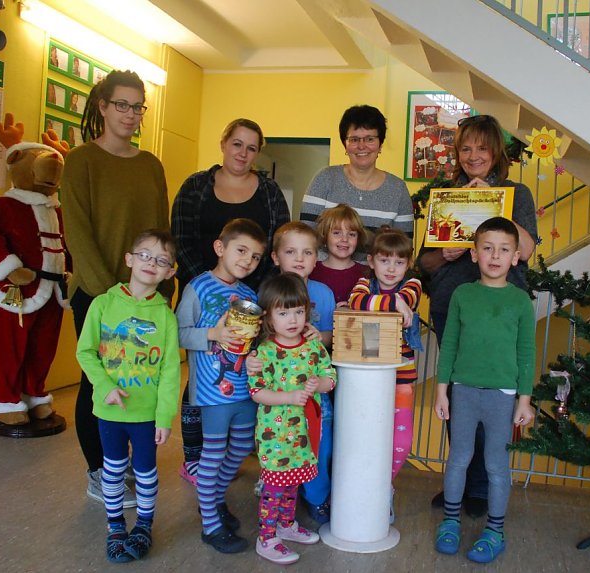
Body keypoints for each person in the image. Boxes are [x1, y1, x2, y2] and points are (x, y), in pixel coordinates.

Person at [417, 114, 537, 518]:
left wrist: (492, 201)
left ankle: (484, 485)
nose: (473, 156)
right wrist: (445, 253)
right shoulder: (445, 193)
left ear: (496, 153)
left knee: (495, 396)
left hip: (502, 310)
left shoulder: (516, 193)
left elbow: (529, 249)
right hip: (453, 303)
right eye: (466, 148)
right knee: (456, 393)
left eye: (482, 148)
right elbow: (425, 262)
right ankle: (462, 480)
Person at [63, 69, 173, 508]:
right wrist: (112, 295)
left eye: (137, 106)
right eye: (122, 105)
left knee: (139, 380)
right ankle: (99, 468)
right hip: (99, 295)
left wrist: (161, 285)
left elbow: (161, 232)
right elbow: (78, 231)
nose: (130, 114)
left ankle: (125, 463)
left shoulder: (150, 165)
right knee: (98, 384)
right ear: (103, 106)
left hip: (147, 297)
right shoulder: (81, 161)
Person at [172, 118, 289, 487]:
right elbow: (182, 236)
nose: (243, 153)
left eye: (252, 147)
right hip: (205, 289)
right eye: (237, 144)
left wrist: (253, 289)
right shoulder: (195, 186)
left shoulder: (268, 191)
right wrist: (208, 285)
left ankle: (233, 452)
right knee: (200, 380)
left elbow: (275, 242)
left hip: (252, 298)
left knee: (241, 370)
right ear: (223, 143)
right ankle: (197, 458)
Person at [433, 217, 535, 564]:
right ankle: (450, 521)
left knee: (495, 465)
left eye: (504, 250)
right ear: (474, 254)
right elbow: (448, 345)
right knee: (458, 459)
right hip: (463, 391)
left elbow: (526, 353)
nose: (495, 256)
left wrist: (525, 399)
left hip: (502, 397)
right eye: (487, 248)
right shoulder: (463, 294)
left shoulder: (521, 301)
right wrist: (441, 391)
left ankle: (495, 530)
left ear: (516, 256)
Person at [75, 229, 181, 563]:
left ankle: (144, 525)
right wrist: (104, 387)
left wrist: (165, 417)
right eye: (145, 255)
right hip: (109, 413)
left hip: (146, 415)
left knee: (146, 472)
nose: (152, 263)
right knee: (113, 469)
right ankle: (116, 526)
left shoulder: (165, 316)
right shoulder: (102, 304)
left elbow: (169, 372)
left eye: (161, 260)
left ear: (170, 271)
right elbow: (86, 352)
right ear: (129, 260)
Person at [176, 218, 268, 554]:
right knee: (213, 454)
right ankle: (211, 526)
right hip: (213, 392)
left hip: (246, 387)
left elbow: (255, 340)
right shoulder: (198, 287)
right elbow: (179, 331)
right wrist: (212, 334)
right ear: (220, 248)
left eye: (256, 256)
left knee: (242, 448)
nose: (248, 260)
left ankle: (212, 501)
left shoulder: (248, 294)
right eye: (241, 250)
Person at [250, 273, 336, 564]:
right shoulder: (265, 351)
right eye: (283, 313)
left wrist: (319, 385)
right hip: (274, 436)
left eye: (299, 311)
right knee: (274, 487)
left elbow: (330, 376)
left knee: (293, 482)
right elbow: (257, 391)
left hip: (305, 431)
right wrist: (289, 397)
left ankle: (286, 526)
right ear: (269, 317)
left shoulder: (313, 346)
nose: (293, 319)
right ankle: (266, 538)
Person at [347, 227, 423, 522]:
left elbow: (404, 301)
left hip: (401, 376)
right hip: (367, 377)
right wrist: (394, 304)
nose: (392, 269)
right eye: (384, 261)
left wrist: (396, 303)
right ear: (371, 261)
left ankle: (382, 487)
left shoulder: (413, 284)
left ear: (408, 264)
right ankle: (362, 488)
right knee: (364, 435)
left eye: (399, 262)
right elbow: (356, 303)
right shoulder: (363, 283)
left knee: (401, 442)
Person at [269, 222, 335, 523]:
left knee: (319, 445)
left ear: (316, 258)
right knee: (281, 443)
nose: (299, 258)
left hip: (315, 390)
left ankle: (317, 497)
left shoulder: (323, 292)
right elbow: (261, 338)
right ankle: (279, 494)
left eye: (307, 252)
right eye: (291, 251)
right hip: (279, 394)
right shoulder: (268, 292)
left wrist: (315, 336)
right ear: (275, 257)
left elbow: (331, 336)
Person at [300, 105, 415, 258]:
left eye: (370, 139)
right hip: (324, 276)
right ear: (345, 145)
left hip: (377, 280)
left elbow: (403, 248)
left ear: (380, 144)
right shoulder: (324, 179)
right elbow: (305, 238)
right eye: (354, 139)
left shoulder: (398, 189)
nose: (362, 146)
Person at [309, 204, 369, 305]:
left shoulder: (367, 273)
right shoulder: (311, 271)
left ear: (358, 239)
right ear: (325, 237)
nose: (345, 239)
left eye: (351, 234)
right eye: (337, 233)